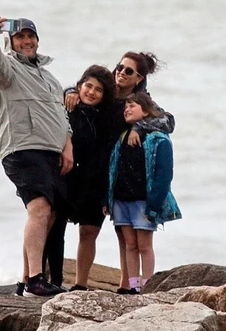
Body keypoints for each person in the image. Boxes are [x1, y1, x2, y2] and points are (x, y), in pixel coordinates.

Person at [65, 51, 175, 293]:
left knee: (126, 236)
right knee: (88, 230)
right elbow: (82, 87)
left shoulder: (141, 99)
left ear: (139, 78)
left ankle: (128, 287)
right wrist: (69, 93)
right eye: (119, 67)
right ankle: (80, 284)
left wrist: (140, 125)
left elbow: (168, 122)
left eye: (128, 71)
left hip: (122, 177)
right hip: (94, 172)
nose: (120, 73)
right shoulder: (106, 91)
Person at [0, 15, 73, 297]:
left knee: (50, 213)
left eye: (30, 36)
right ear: (12, 41)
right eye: (20, 37)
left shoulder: (49, 77)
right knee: (40, 209)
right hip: (22, 148)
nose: (26, 41)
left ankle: (25, 280)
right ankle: (36, 279)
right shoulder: (7, 67)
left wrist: (67, 144)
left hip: (50, 151)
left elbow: (62, 115)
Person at [104, 92, 182, 294]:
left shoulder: (158, 139)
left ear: (146, 111)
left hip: (143, 201)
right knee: (130, 244)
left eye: (133, 106)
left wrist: (154, 204)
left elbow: (164, 174)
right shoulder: (122, 137)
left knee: (144, 245)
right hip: (121, 199)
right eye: (126, 107)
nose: (127, 109)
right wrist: (108, 199)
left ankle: (147, 285)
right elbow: (113, 169)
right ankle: (133, 285)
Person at [57, 65, 117, 292]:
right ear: (80, 86)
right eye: (87, 86)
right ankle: (42, 278)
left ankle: (80, 283)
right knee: (54, 228)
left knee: (88, 232)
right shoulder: (69, 106)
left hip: (95, 183)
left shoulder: (109, 117)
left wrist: (106, 194)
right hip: (67, 176)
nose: (91, 92)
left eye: (98, 90)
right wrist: (69, 91)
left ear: (105, 95)